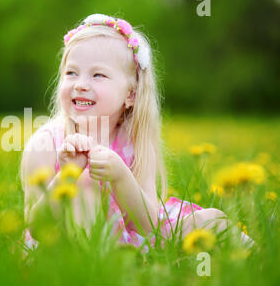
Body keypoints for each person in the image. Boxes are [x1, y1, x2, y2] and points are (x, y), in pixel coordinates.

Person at [19, 13, 254, 252]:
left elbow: (147, 225)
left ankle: (260, 261)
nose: (80, 83)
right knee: (86, 184)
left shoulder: (134, 141)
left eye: (98, 75)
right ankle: (103, 270)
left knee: (211, 220)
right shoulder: (46, 143)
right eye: (71, 73)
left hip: (134, 239)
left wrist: (121, 176)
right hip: (69, 246)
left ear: (130, 95)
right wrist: (68, 177)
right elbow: (37, 226)